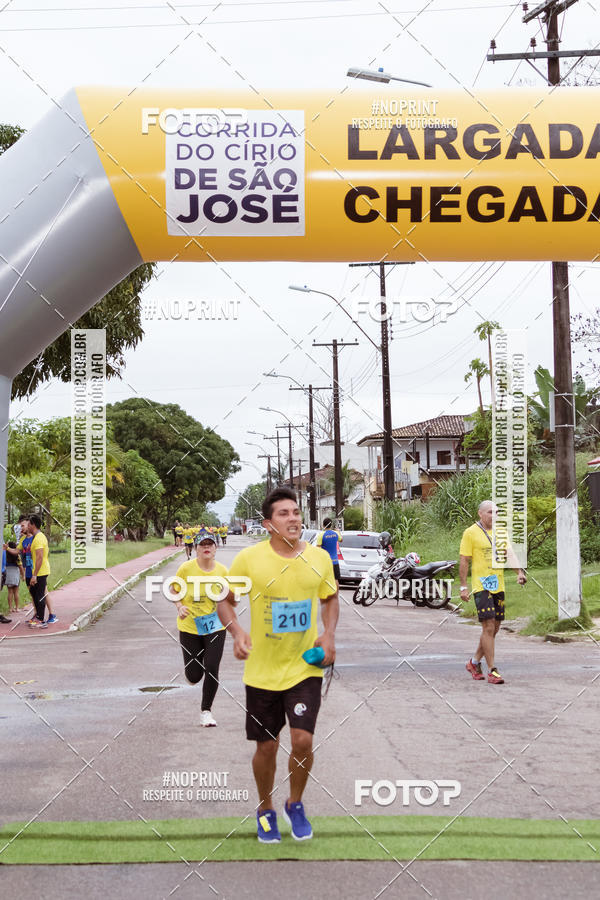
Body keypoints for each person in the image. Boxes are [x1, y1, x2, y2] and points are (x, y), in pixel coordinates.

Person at [218, 487, 339, 844]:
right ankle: (265, 808)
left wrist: (328, 635)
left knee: (302, 740)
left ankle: (295, 803)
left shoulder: (317, 558)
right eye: (284, 514)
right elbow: (224, 601)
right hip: (261, 671)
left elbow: (330, 598)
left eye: (296, 512)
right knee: (266, 746)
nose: (293, 519)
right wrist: (237, 631)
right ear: (268, 524)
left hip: (304, 667)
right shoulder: (249, 560)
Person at [459, 500, 527, 684]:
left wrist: (519, 572)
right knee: (488, 627)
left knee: (494, 628)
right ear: (480, 513)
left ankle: (473, 663)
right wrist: (463, 586)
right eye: (490, 512)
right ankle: (492, 671)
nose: (494, 515)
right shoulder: (470, 533)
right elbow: (464, 560)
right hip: (481, 586)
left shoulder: (501, 532)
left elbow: (509, 554)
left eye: (496, 512)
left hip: (498, 585)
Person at [170, 529, 228, 727]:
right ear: (195, 549)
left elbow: (228, 595)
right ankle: (194, 674)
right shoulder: (186, 569)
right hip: (190, 627)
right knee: (194, 676)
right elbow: (173, 589)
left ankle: (206, 711)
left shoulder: (222, 571)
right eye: (202, 544)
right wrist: (179, 606)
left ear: (215, 548)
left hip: (215, 627)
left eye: (210, 544)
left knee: (212, 667)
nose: (206, 547)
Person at [27, 514, 52, 628]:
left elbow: (40, 557)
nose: (27, 526)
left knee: (39, 595)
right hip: (38, 571)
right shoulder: (37, 537)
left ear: (33, 525)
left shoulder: (39, 538)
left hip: (40, 572)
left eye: (28, 524)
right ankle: (38, 617)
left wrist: (34, 575)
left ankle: (41, 620)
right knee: (34, 592)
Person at [316, 517, 343, 584]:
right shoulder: (336, 533)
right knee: (335, 579)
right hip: (335, 561)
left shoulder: (321, 535)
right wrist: (339, 532)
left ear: (323, 525)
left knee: (324, 580)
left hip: (325, 562)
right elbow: (341, 540)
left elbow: (318, 549)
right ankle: (336, 594)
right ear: (331, 525)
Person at [3, 541, 25, 613]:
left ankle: (10, 608)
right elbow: (20, 566)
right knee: (16, 592)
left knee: (10, 592)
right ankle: (17, 608)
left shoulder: (5, 555)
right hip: (15, 573)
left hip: (8, 574)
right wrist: (23, 575)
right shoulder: (17, 556)